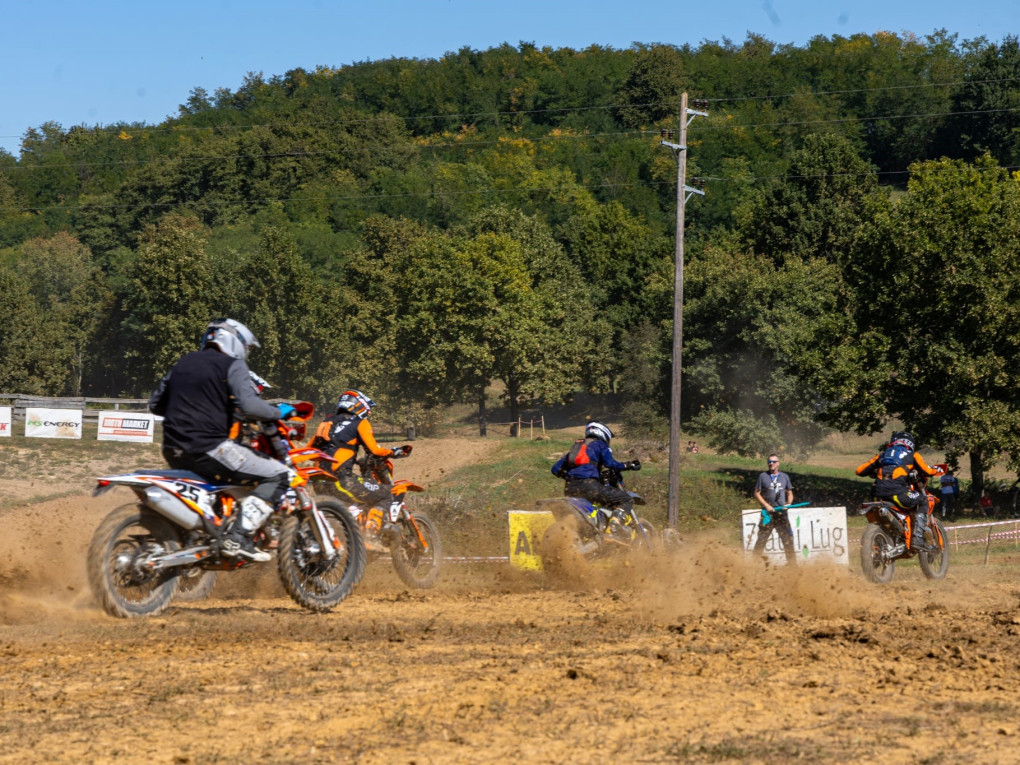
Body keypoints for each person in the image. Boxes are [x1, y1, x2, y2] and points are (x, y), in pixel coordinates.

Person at [148, 318, 294, 562]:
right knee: (278, 475)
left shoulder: (183, 363)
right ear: (235, 341)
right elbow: (249, 406)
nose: (246, 354)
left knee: (219, 490)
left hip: (173, 449)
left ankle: (206, 539)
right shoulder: (233, 365)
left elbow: (156, 404)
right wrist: (278, 412)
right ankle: (237, 538)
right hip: (211, 449)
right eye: (247, 348)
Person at [310, 390, 411, 531]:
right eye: (368, 409)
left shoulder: (326, 423)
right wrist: (393, 452)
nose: (369, 413)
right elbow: (374, 450)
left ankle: (357, 531)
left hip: (318, 484)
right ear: (359, 406)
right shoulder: (359, 422)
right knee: (386, 493)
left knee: (358, 499)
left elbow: (310, 449)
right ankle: (372, 535)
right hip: (341, 481)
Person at [551, 421, 640, 538]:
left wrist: (570, 478)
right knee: (626, 499)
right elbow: (610, 463)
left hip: (570, 489)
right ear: (604, 433)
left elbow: (555, 469)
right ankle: (612, 530)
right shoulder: (600, 445)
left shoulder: (577, 447)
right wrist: (629, 465)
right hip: (590, 487)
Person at [856, 431, 940, 551]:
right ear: (910, 443)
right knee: (922, 500)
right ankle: (917, 540)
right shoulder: (913, 455)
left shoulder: (882, 455)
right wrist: (936, 469)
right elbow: (928, 472)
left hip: (877, 495)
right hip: (897, 493)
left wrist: (875, 471)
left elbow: (859, 471)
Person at [752, 454, 797, 564]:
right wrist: (766, 505)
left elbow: (790, 493)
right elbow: (756, 493)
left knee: (788, 540)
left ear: (778, 463)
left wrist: (788, 504)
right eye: (769, 462)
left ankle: (792, 565)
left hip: (781, 514)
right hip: (768, 514)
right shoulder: (763, 476)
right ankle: (752, 564)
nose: (771, 463)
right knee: (761, 539)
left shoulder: (785, 477)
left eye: (773, 461)